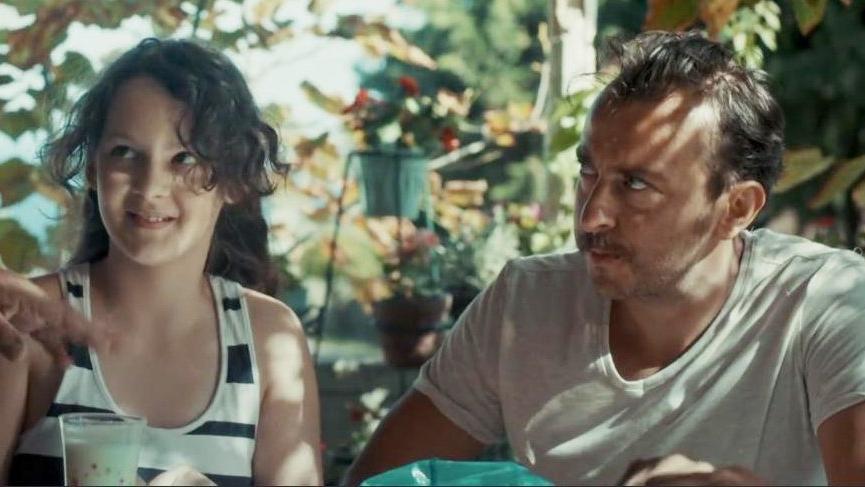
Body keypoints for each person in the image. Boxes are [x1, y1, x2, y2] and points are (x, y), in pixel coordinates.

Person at [344, 31, 865, 486]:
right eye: (588, 173)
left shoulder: (829, 301)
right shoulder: (524, 304)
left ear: (736, 209)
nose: (592, 216)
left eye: (635, 184)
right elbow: (377, 481)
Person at [0, 38, 322, 485]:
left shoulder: (270, 339)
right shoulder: (27, 324)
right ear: (92, 168)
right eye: (125, 153)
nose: (150, 186)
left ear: (234, 180)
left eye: (184, 158)